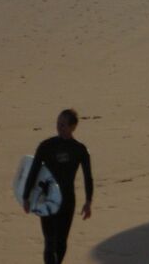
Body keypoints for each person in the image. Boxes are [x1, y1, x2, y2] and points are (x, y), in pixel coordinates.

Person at [23, 109, 93, 264]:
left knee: (61, 241)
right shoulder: (46, 146)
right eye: (58, 124)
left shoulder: (80, 150)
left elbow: (88, 176)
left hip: (67, 201)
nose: (59, 128)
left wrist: (88, 201)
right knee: (49, 241)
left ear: (72, 127)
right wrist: (26, 196)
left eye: (63, 125)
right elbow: (33, 171)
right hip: (47, 198)